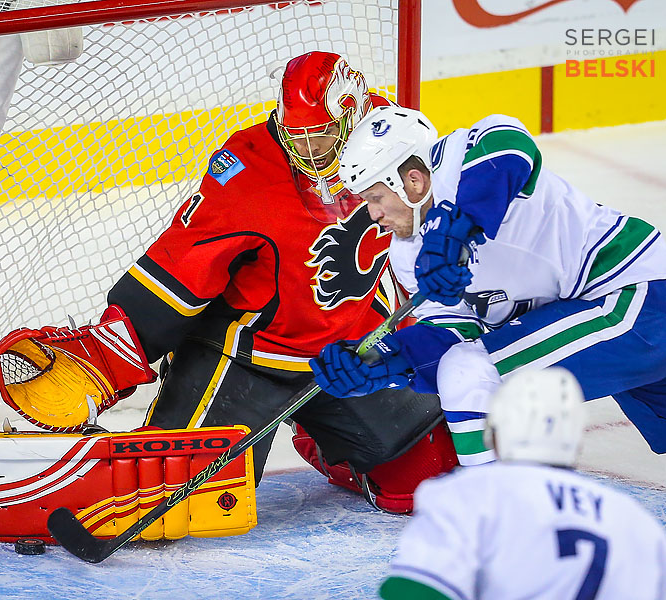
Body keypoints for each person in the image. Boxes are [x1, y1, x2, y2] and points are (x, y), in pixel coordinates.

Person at [99, 52, 459, 513]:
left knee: (428, 478)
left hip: (348, 351)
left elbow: (421, 229)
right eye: (297, 137)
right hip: (244, 357)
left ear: (352, 113)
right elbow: (182, 263)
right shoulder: (247, 167)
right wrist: (108, 353)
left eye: (322, 134)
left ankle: (320, 435)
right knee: (173, 502)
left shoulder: (392, 139)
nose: (308, 151)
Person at [311, 106, 666, 466]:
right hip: (602, 316)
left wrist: (456, 230)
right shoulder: (407, 256)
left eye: (374, 198)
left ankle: (491, 512)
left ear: (413, 182)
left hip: (636, 295)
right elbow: (455, 333)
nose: (372, 214)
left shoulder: (459, 158)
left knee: (468, 371)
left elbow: (511, 144)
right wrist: (382, 360)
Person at [379, 367, 666, 600]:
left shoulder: (466, 496)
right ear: (577, 438)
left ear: (494, 434)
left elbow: (412, 591)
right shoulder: (632, 519)